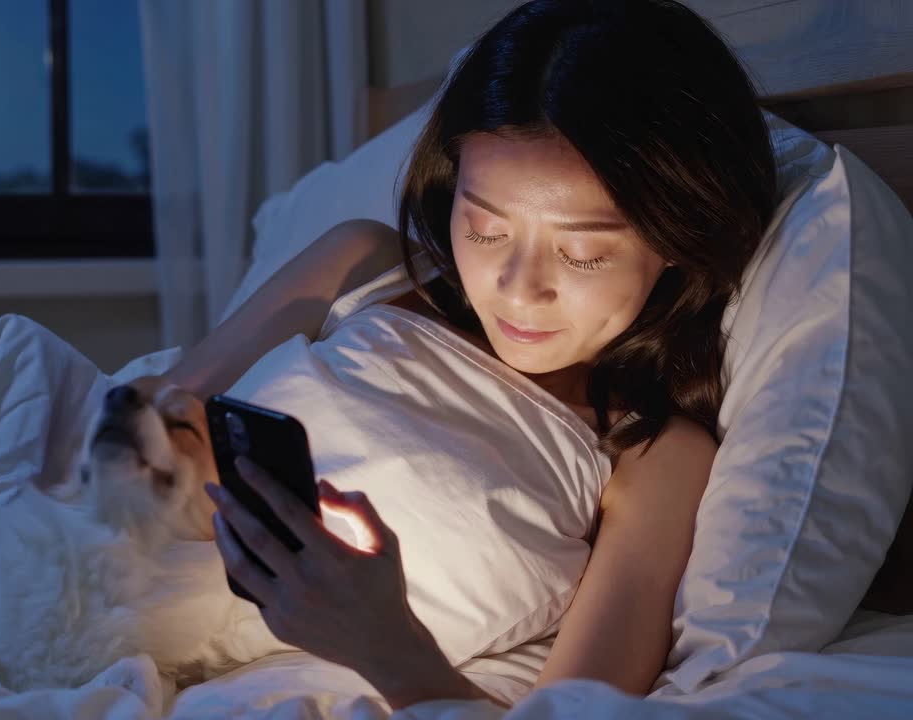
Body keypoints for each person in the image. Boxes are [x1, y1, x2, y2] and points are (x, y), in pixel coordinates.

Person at [164, 0, 777, 710]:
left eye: (582, 253)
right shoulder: (362, 263)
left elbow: (573, 708)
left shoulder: (656, 454)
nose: (517, 289)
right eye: (484, 231)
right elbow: (155, 405)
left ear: (677, 235)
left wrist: (385, 644)